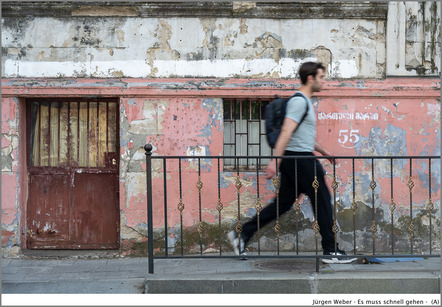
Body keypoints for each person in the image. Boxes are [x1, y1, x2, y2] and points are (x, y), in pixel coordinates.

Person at [227, 61, 356, 264]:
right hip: (300, 159)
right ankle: (331, 251)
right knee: (322, 200)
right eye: (321, 77)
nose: (323, 81)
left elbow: (304, 136)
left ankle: (242, 234)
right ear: (311, 78)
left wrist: (325, 152)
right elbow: (286, 131)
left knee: (282, 204)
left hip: (298, 157)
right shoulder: (299, 102)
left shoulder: (304, 101)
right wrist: (275, 161)